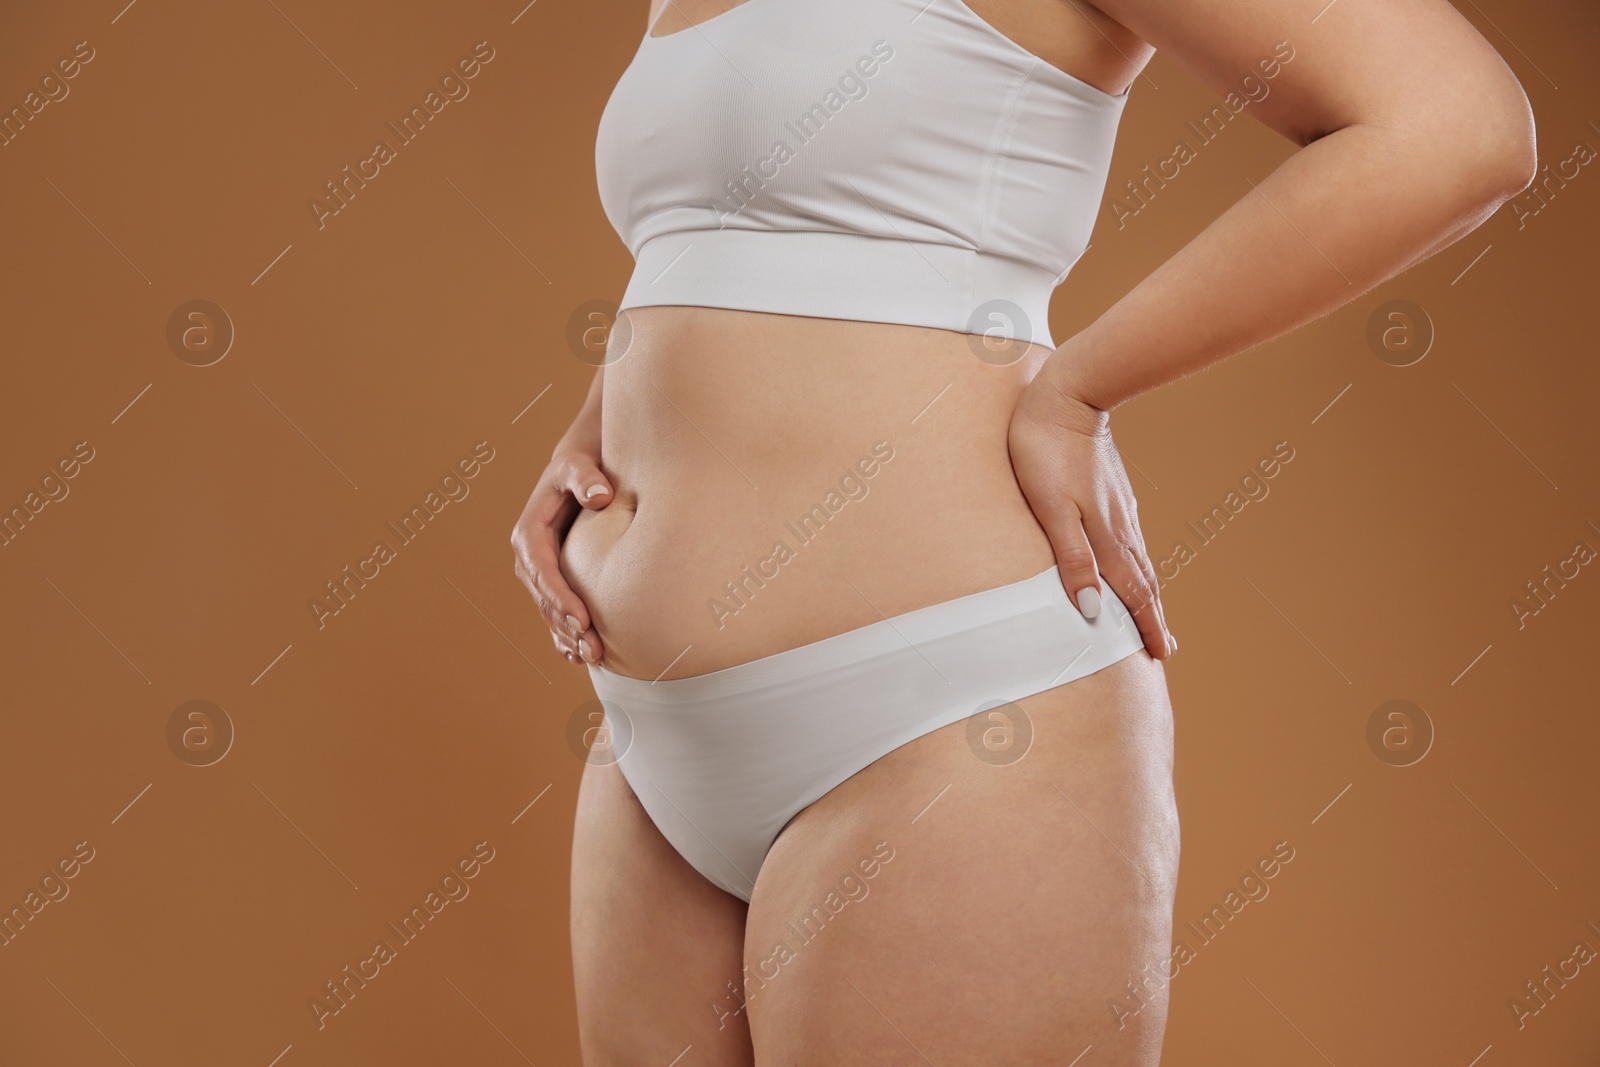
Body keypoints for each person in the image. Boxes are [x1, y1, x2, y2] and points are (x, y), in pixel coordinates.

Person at [510, 0, 1534, 1062]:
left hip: (946, 719)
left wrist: (1077, 391)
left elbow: (1456, 127)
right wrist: (606, 423)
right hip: (652, 737)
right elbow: (732, 237)